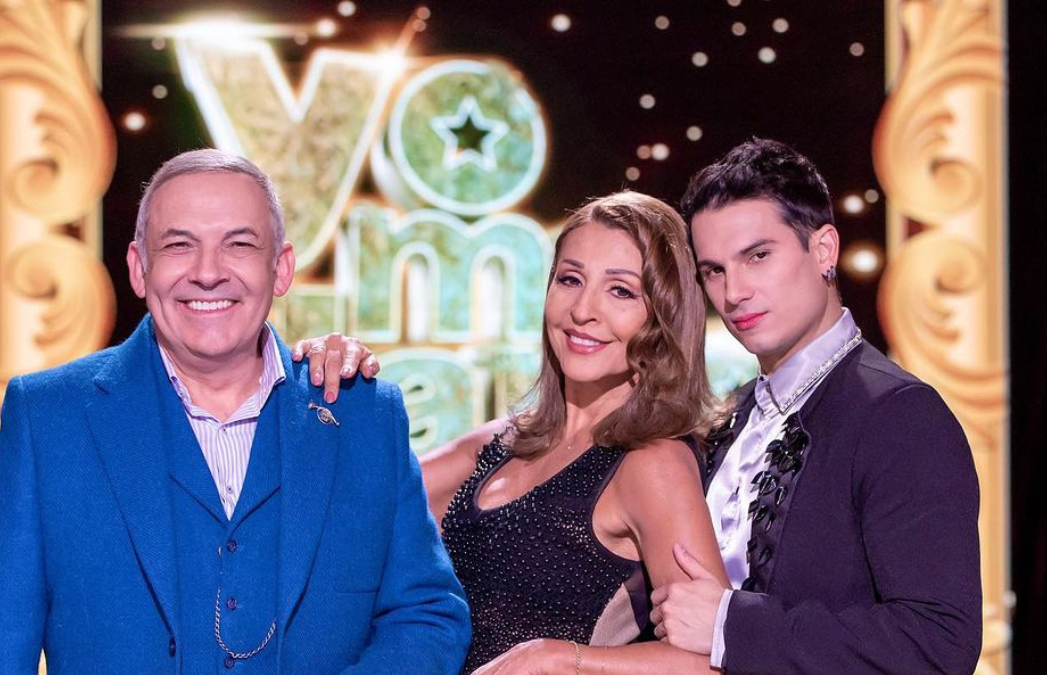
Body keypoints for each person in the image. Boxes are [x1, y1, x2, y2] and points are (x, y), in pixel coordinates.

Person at [0, 149, 469, 674]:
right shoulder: (47, 419)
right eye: (179, 245)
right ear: (139, 268)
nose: (208, 273)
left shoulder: (364, 416)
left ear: (281, 268)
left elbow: (426, 616)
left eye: (239, 244)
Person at [649, 138, 982, 675]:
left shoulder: (899, 416)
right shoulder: (733, 418)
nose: (734, 293)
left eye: (758, 256)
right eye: (714, 270)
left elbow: (939, 642)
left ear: (824, 249)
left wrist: (730, 626)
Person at [420, 191, 729, 674]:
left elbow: (708, 662)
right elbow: (354, 502)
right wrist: (328, 370)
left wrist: (561, 658)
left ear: (663, 315)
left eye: (621, 291)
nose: (583, 310)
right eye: (570, 279)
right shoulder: (497, 445)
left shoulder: (653, 463)